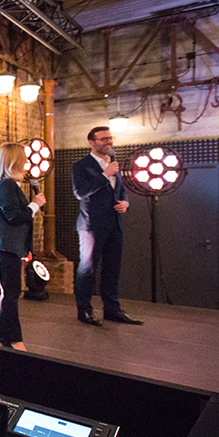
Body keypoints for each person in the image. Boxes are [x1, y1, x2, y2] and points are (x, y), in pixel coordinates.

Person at [72, 126, 144, 326]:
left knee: (112, 269)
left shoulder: (113, 163)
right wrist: (104, 175)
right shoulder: (81, 166)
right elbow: (80, 192)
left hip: (115, 224)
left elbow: (120, 191)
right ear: (91, 142)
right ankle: (84, 310)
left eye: (110, 139)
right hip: (91, 226)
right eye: (103, 139)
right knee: (87, 270)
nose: (108, 142)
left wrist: (125, 203)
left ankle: (112, 310)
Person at [0, 142, 45, 351]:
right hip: (4, 244)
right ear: (13, 161)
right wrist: (35, 204)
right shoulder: (6, 185)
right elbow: (15, 216)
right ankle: (13, 339)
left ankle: (2, 337)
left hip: (4, 243)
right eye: (23, 159)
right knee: (10, 292)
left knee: (1, 290)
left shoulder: (2, 185)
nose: (27, 162)